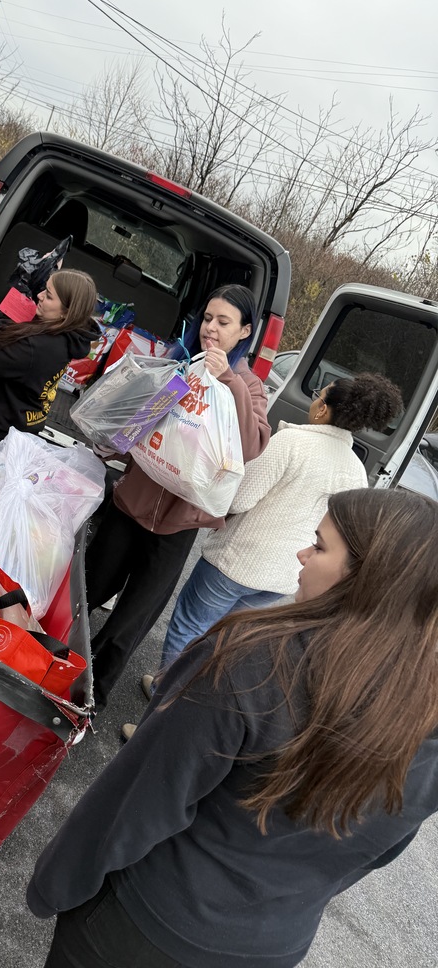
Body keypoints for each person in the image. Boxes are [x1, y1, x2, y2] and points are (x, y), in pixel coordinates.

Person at [28, 487, 438, 968]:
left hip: (146, 924)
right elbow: (375, 850)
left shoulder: (255, 662)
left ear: (371, 579)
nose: (302, 553)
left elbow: (137, 801)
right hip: (270, 946)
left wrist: (54, 884)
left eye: (320, 546)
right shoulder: (423, 708)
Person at [150, 371, 404, 682]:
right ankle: (188, 702)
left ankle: (164, 700)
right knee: (224, 641)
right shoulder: (355, 471)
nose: (315, 402)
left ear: (323, 409)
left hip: (235, 563)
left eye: (318, 396)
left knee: (190, 627)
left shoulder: (291, 442)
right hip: (281, 579)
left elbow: (238, 500)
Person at [86, 284, 270, 708]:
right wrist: (110, 440)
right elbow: (133, 425)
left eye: (223, 323)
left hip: (178, 525)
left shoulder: (247, 386)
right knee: (88, 590)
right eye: (207, 319)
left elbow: (252, 445)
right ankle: (47, 662)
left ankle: (90, 698)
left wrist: (228, 382)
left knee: (129, 622)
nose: (211, 329)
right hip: (129, 504)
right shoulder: (178, 363)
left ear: (244, 332)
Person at [0, 268, 99, 449]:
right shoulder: (65, 335)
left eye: (49, 296)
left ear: (66, 312)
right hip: (11, 428)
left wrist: (7, 313)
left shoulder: (41, 346)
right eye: (44, 288)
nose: (40, 296)